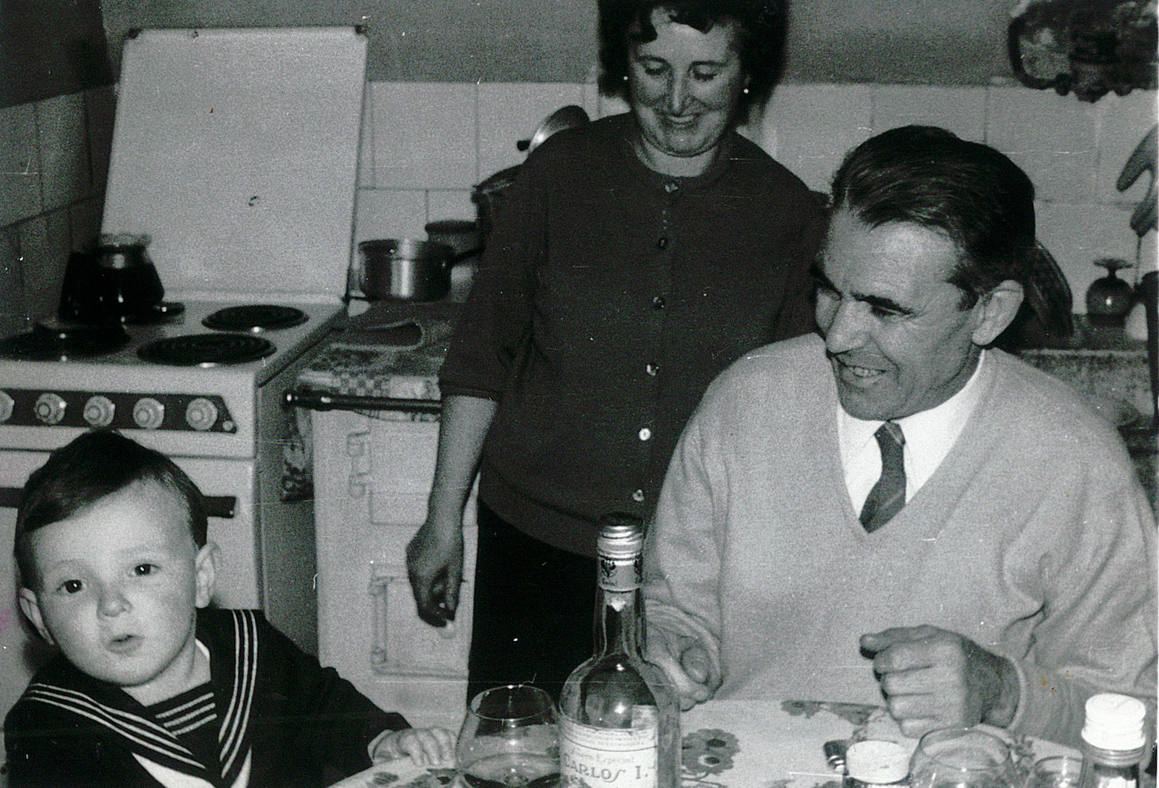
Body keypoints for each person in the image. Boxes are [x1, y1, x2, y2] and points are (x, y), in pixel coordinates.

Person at [642, 125, 1157, 747]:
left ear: (990, 313)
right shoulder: (745, 402)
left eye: (885, 310)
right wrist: (670, 650)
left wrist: (1002, 691)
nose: (837, 337)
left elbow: (1137, 714)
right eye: (830, 291)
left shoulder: (1072, 459)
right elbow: (673, 609)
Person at [406, 0, 825, 702]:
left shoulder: (786, 212)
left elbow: (788, 410)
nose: (677, 100)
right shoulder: (556, 177)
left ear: (746, 73)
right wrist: (441, 517)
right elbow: (481, 355)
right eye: (653, 69)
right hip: (534, 542)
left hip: (691, 569)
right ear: (621, 66)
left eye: (706, 73)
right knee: (527, 758)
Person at [5, 430, 455, 787]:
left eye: (141, 569)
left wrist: (381, 739)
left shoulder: (250, 645)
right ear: (39, 615)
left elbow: (325, 705)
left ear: (201, 577)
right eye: (74, 584)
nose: (111, 604)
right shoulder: (49, 725)